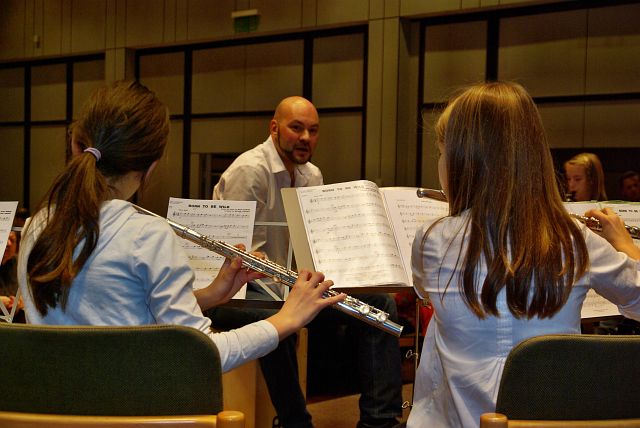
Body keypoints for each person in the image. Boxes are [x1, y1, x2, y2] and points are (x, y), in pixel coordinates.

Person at [16, 81, 345, 374]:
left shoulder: (36, 227)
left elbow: (124, 313)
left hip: (53, 405)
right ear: (152, 166)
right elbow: (202, 354)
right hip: (130, 409)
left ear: (78, 147)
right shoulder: (147, 235)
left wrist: (213, 294)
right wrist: (287, 318)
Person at [407, 81, 640, 428]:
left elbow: (423, 290)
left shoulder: (431, 239)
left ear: (461, 163)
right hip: (551, 421)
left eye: (441, 153)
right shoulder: (574, 238)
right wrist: (627, 246)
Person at [209, 96, 403, 428]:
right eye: (296, 128)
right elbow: (242, 259)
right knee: (278, 319)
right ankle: (295, 422)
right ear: (274, 128)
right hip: (235, 292)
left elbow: (314, 247)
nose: (305, 138)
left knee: (379, 304)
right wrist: (295, 294)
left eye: (313, 131)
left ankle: (379, 421)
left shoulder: (312, 175)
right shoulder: (249, 171)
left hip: (287, 286)